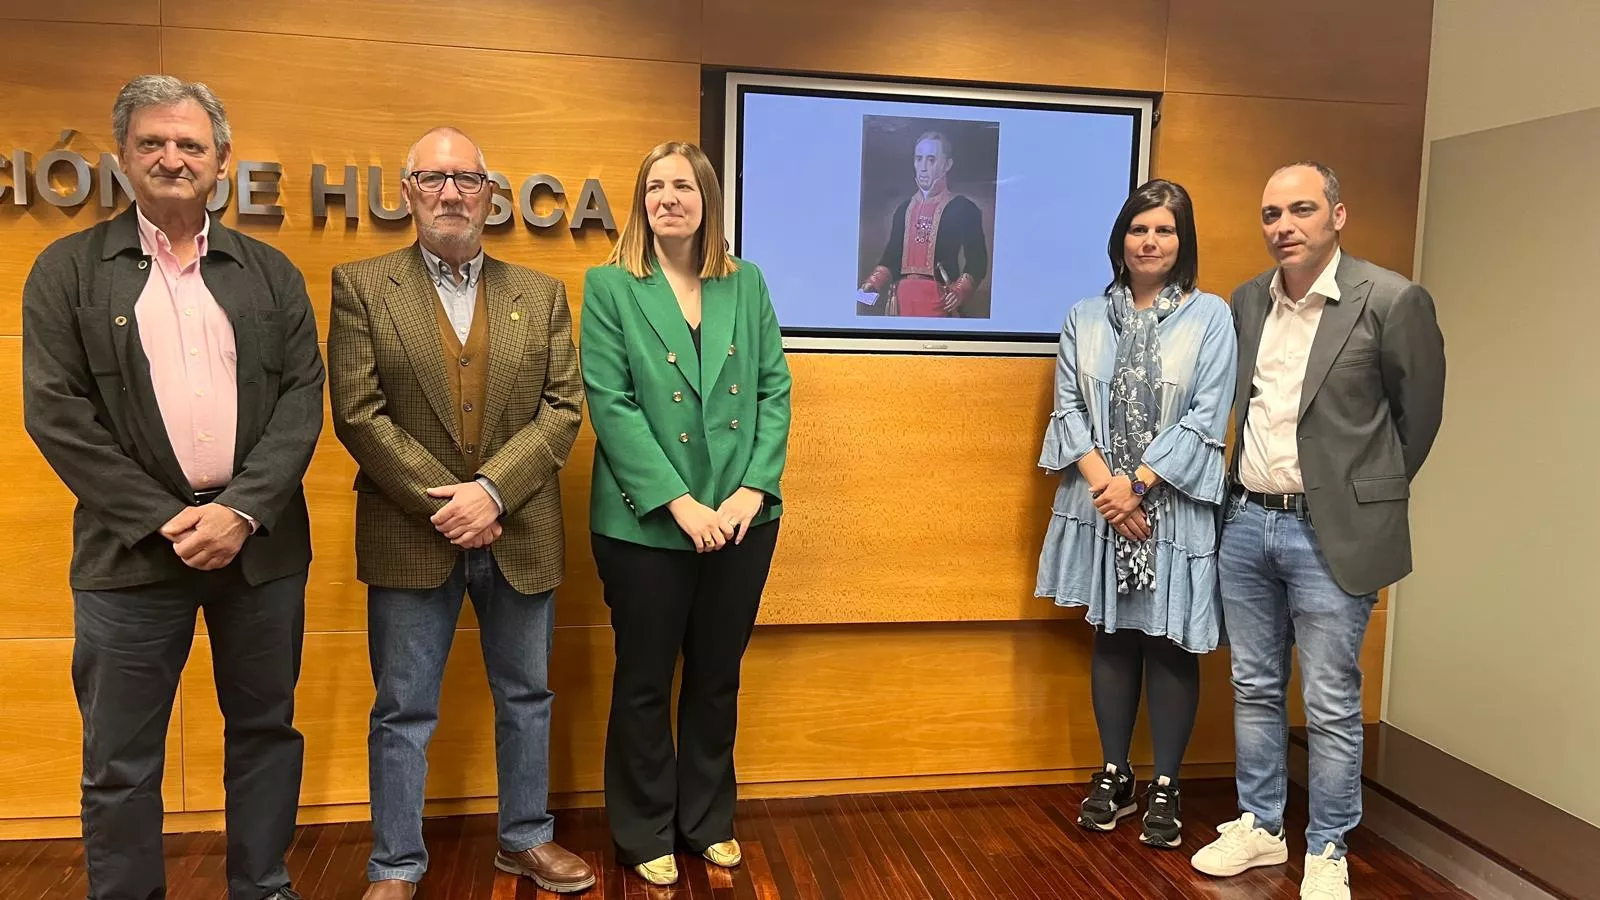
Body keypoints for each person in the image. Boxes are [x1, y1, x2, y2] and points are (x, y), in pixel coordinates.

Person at [21, 75, 322, 900]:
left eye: (190, 144)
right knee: (119, 759)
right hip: (129, 558)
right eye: (152, 143)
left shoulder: (270, 272)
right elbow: (55, 416)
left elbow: (303, 402)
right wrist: (165, 519)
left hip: (259, 551)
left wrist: (241, 511)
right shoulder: (68, 271)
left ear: (221, 160)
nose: (172, 157)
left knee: (266, 733)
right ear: (122, 157)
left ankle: (262, 886)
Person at [326, 126, 591, 898]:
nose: (451, 193)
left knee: (528, 696)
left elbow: (563, 408)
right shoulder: (362, 285)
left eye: (467, 180)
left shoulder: (540, 294)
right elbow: (358, 412)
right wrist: (450, 503)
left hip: (521, 529)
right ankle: (397, 864)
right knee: (402, 708)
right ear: (407, 191)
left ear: (489, 194)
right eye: (433, 179)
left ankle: (525, 839)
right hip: (413, 533)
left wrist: (493, 492)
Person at [1189, 162, 1445, 900]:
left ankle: (1328, 845)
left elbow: (1416, 421)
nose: (1284, 227)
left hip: (1330, 534)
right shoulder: (1246, 302)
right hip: (1248, 524)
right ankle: (1262, 826)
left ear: (1338, 214)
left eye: (1301, 210)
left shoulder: (1393, 300)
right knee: (1255, 684)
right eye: (1271, 215)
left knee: (1331, 699)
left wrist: (1360, 496)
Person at [580, 141, 792, 886]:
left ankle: (706, 820)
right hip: (645, 524)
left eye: (684, 186)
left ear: (708, 200)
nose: (669, 197)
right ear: (641, 202)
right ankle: (643, 831)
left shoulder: (748, 282)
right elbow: (612, 404)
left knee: (715, 676)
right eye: (655, 186)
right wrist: (680, 505)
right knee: (643, 680)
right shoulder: (610, 287)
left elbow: (774, 390)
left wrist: (749, 492)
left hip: (741, 519)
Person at [1034, 180, 1237, 850]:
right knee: (1114, 634)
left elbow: (1209, 417)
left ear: (1184, 244)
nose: (1150, 241)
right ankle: (1116, 772)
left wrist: (1140, 486)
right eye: (1139, 228)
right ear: (1120, 239)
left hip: (1170, 507)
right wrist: (1110, 491)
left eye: (1165, 231)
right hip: (1102, 507)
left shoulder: (1210, 318)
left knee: (1169, 638)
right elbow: (1067, 412)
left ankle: (1167, 784)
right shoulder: (1084, 318)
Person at [859, 130, 990, 317]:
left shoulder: (964, 208)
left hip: (941, 301)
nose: (923, 167)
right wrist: (873, 282)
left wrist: (960, 290)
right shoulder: (903, 209)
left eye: (931, 160)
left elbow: (978, 261)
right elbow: (892, 255)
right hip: (901, 301)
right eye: (918, 159)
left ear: (947, 165)